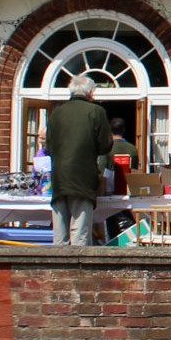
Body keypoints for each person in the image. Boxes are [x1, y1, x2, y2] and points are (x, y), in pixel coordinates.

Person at [45, 77, 114, 246]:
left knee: (60, 236)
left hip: (59, 177)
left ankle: (57, 263)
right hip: (83, 177)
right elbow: (105, 145)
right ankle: (79, 264)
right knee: (80, 233)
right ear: (91, 92)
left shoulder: (56, 113)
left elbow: (49, 146)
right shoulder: (96, 111)